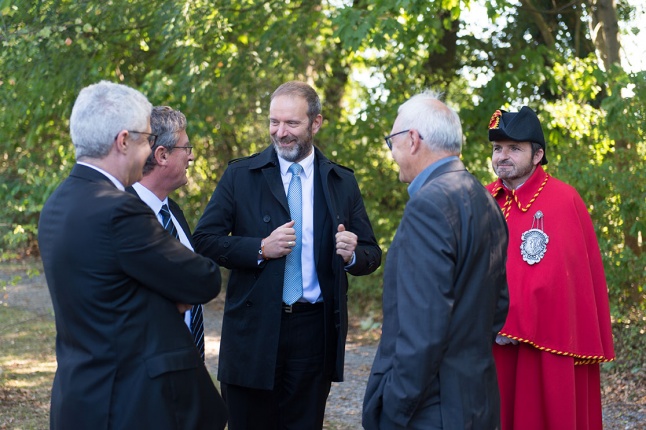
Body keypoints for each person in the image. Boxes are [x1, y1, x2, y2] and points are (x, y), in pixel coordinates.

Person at [37, 81, 227, 430]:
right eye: (145, 140)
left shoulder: (57, 203)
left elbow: (110, 289)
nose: (149, 150)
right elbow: (203, 279)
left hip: (82, 398)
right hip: (130, 404)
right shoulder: (118, 210)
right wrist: (172, 293)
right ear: (123, 141)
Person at [193, 80, 382, 429]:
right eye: (274, 122)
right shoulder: (240, 175)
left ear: (316, 123)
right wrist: (259, 248)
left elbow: (371, 253)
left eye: (291, 123)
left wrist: (353, 255)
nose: (281, 132)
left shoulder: (341, 182)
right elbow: (204, 239)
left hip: (314, 331)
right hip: (253, 329)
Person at [362, 91, 510, 430]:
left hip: (432, 411)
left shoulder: (428, 206)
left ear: (413, 140)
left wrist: (394, 410)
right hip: (478, 400)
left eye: (392, 141)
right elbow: (497, 308)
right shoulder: (484, 199)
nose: (392, 153)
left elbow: (422, 331)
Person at [486, 106, 615, 430]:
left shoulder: (563, 200)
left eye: (514, 148)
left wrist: (510, 321)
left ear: (537, 154)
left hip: (543, 349)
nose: (503, 156)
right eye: (498, 148)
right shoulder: (484, 198)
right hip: (485, 343)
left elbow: (562, 282)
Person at [128, 106, 206, 360]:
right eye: (186, 148)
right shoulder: (122, 216)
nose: (191, 157)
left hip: (184, 371)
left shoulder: (172, 211)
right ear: (162, 155)